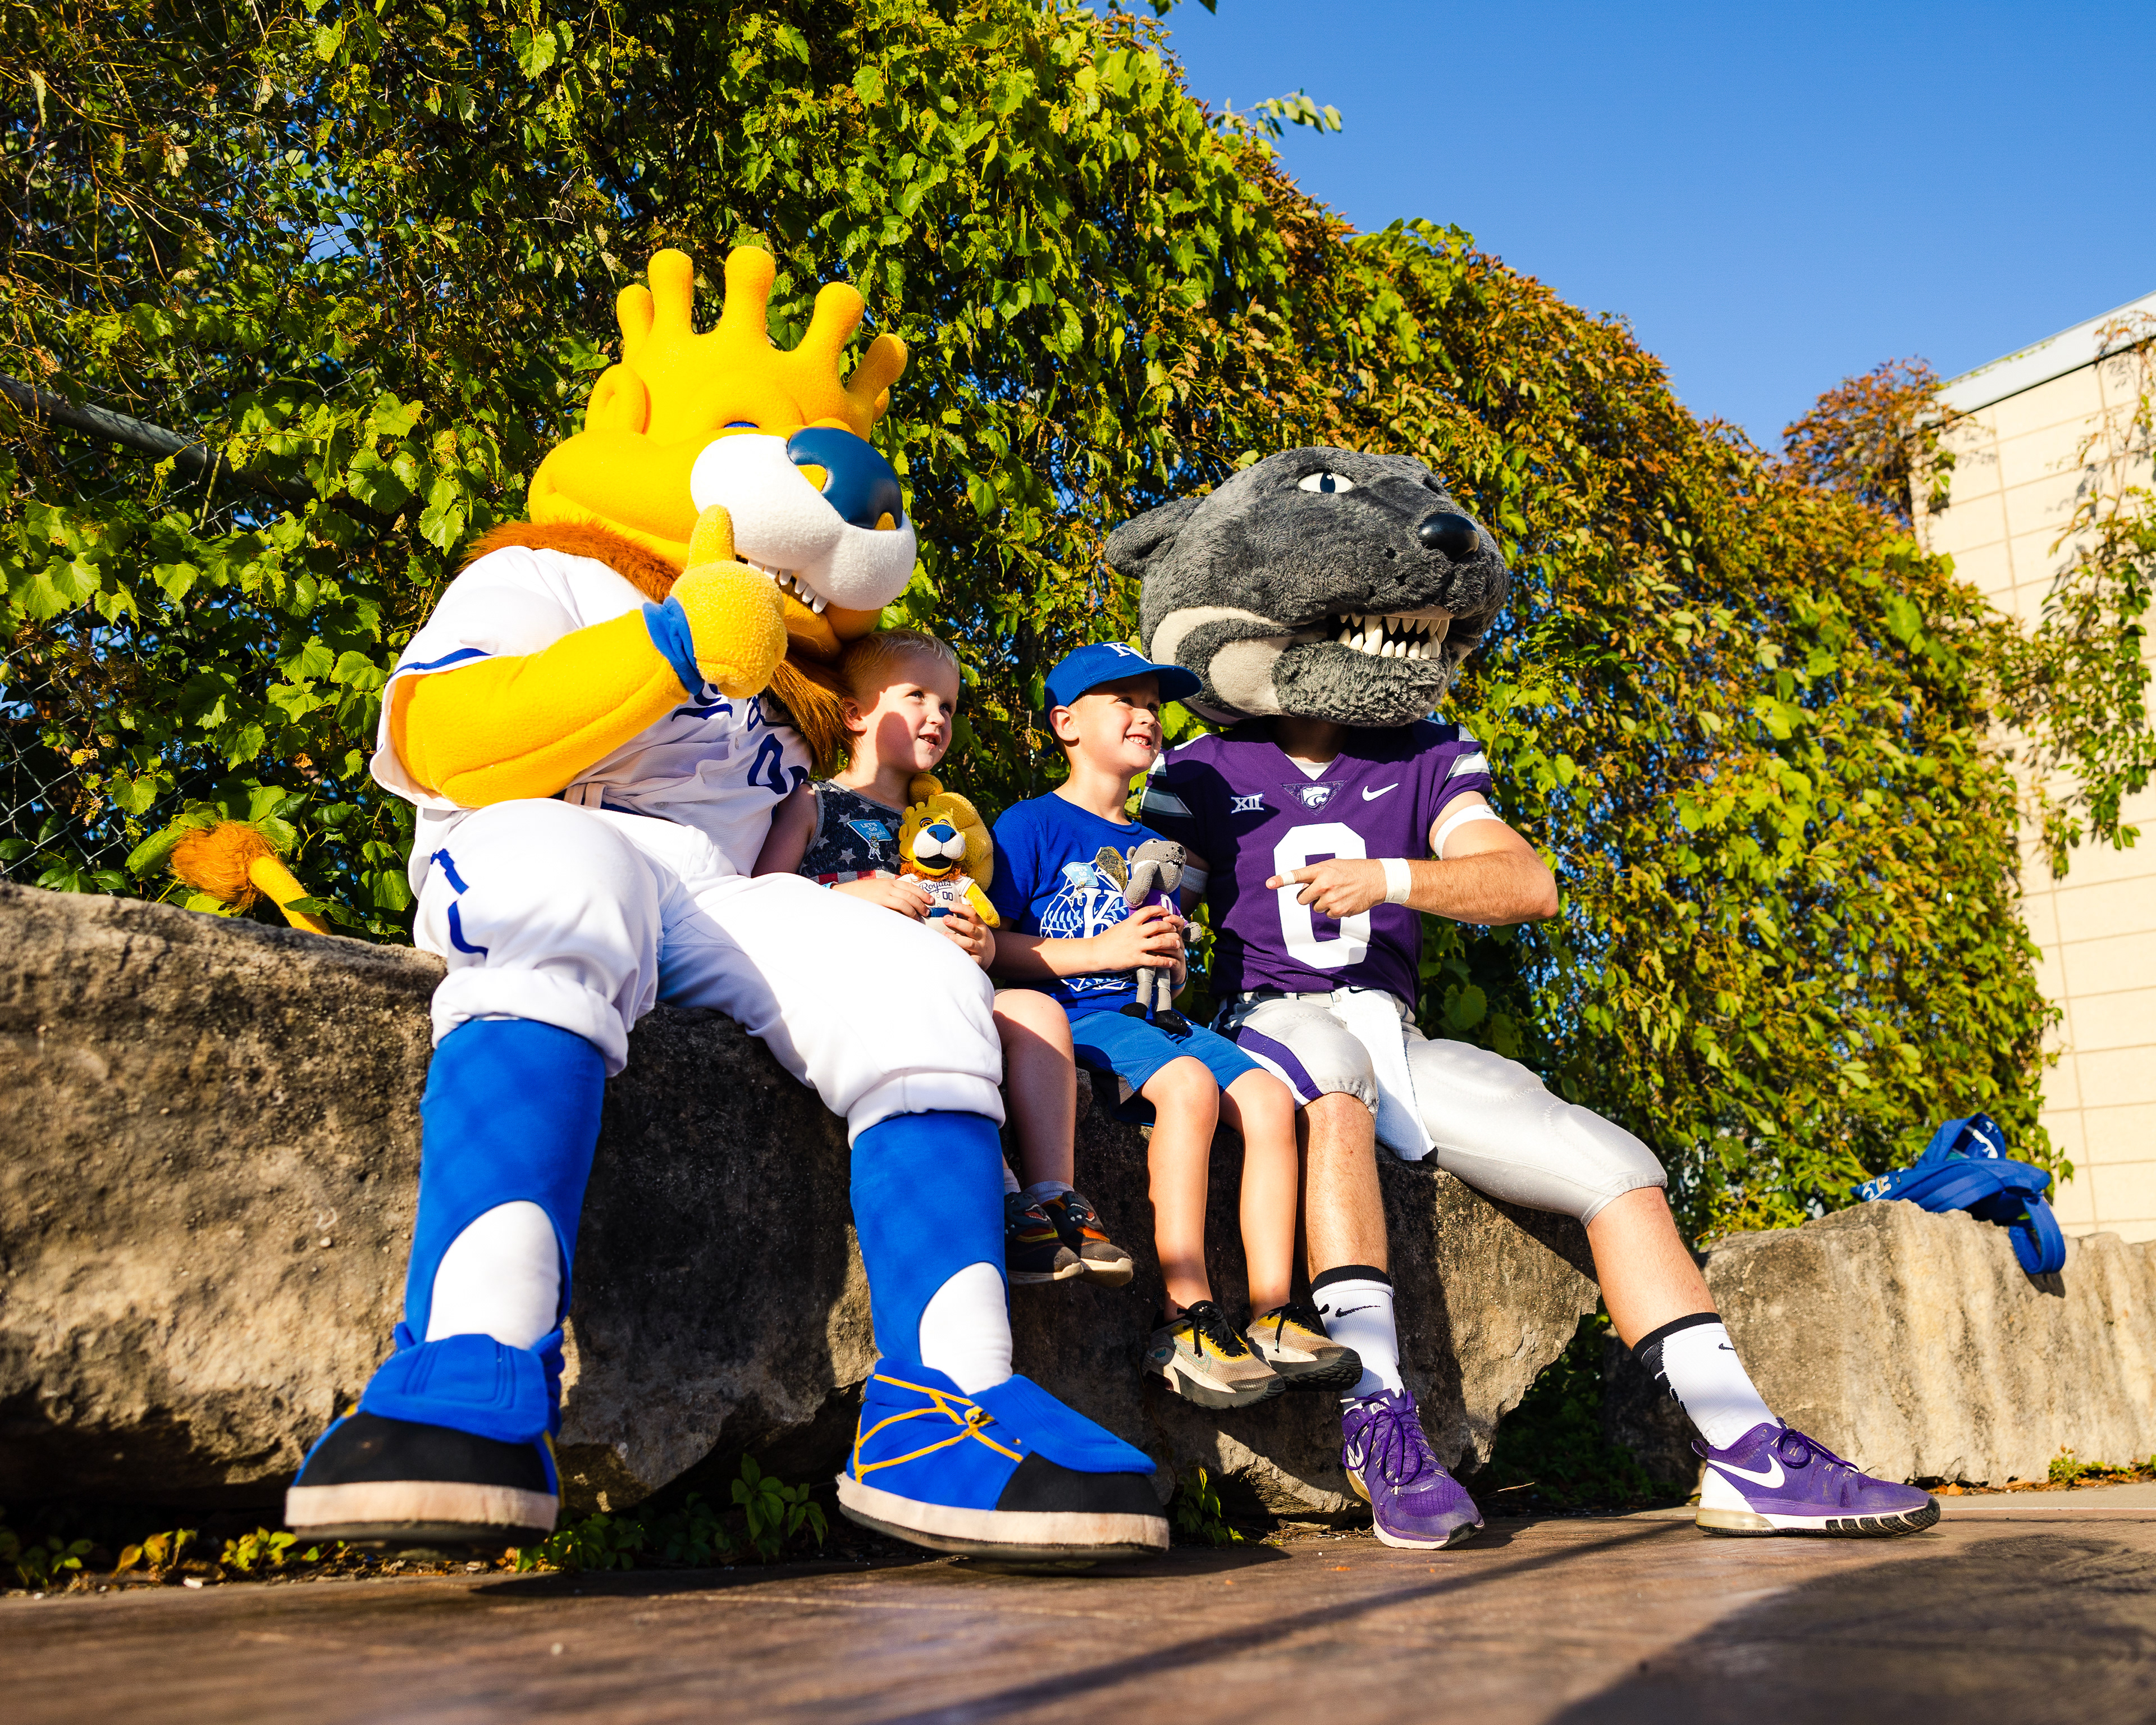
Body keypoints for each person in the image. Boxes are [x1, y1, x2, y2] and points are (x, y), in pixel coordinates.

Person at [1125, 443, 1940, 1548]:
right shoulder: (1197, 766)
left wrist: (1393, 878)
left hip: (1395, 1029)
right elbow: (1151, 901)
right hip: (1272, 1021)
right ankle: (1378, 1415)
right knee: (1338, 1076)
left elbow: (1525, 883)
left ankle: (1744, 1447)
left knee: (1617, 1167)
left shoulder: (1425, 752)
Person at [988, 643, 1360, 1408]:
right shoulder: (1029, 825)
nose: (1147, 716)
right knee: (1190, 1088)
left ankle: (1273, 1313)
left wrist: (1169, 962)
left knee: (1270, 1099)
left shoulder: (1157, 848)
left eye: (1154, 706)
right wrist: (1103, 952)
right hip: (1079, 1017)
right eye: (1124, 701)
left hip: (1156, 1020)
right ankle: (1185, 1317)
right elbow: (992, 948)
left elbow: (1160, 951)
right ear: (1066, 723)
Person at [754, 626, 1134, 1289]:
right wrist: (849, 894)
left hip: (950, 984)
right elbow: (759, 897)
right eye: (918, 697)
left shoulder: (949, 826)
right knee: (941, 1016)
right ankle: (1001, 1197)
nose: (938, 716)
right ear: (855, 714)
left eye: (949, 706)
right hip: (864, 988)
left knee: (1038, 1013)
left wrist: (982, 944)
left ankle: (1055, 1195)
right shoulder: (813, 802)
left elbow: (972, 914)